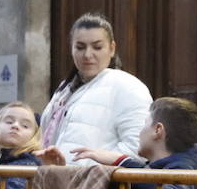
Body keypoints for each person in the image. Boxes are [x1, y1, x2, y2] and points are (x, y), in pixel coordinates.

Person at [38, 13, 152, 162]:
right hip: (57, 180)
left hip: (96, 182)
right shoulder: (64, 89)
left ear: (111, 49)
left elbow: (139, 148)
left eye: (97, 47)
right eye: (80, 47)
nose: (87, 55)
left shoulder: (129, 87)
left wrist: (90, 169)